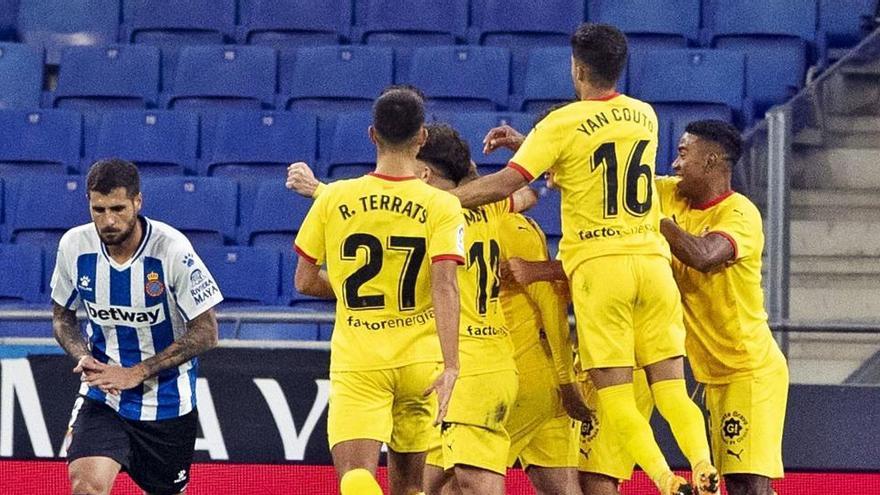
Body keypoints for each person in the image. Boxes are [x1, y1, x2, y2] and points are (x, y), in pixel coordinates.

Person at [453, 22, 720, 495]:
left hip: (601, 271)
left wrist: (439, 201)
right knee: (672, 390)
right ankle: (701, 465)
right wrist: (529, 143)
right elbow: (593, 157)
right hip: (653, 266)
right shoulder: (645, 116)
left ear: (577, 69)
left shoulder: (560, 124)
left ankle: (666, 481)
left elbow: (505, 185)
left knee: (615, 396)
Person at [293, 87, 464, 495]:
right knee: (409, 489)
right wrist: (452, 364)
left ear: (372, 135)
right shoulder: (442, 205)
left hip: (361, 358)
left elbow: (304, 279)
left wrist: (356, 296)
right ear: (422, 137)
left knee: (356, 479)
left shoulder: (333, 197)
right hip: (420, 360)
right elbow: (446, 287)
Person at [51, 158, 223, 495]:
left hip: (168, 402)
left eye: (118, 208)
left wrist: (138, 372)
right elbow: (62, 317)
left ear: (137, 202)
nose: (108, 220)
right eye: (98, 210)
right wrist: (82, 355)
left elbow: (207, 332)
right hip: (104, 396)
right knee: (86, 486)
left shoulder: (172, 250)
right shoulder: (74, 246)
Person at [656, 120, 789, 495]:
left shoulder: (740, 214)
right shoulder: (670, 194)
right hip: (712, 375)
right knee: (726, 486)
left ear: (712, 160)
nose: (675, 164)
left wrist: (657, 223)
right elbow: (615, 178)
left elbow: (704, 256)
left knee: (746, 486)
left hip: (748, 371)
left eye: (684, 153)